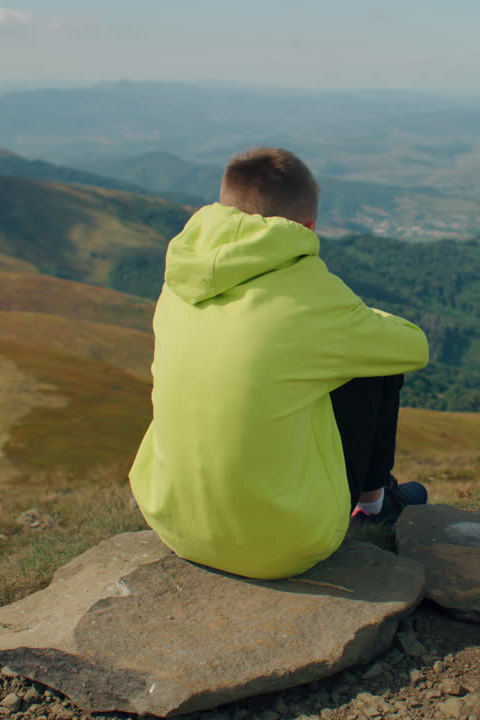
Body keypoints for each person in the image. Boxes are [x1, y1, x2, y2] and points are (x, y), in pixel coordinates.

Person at [128, 147, 429, 580]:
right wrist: (358, 321)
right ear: (308, 226)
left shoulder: (181, 277)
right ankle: (375, 504)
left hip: (173, 523)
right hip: (286, 546)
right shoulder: (310, 297)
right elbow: (412, 346)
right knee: (375, 365)